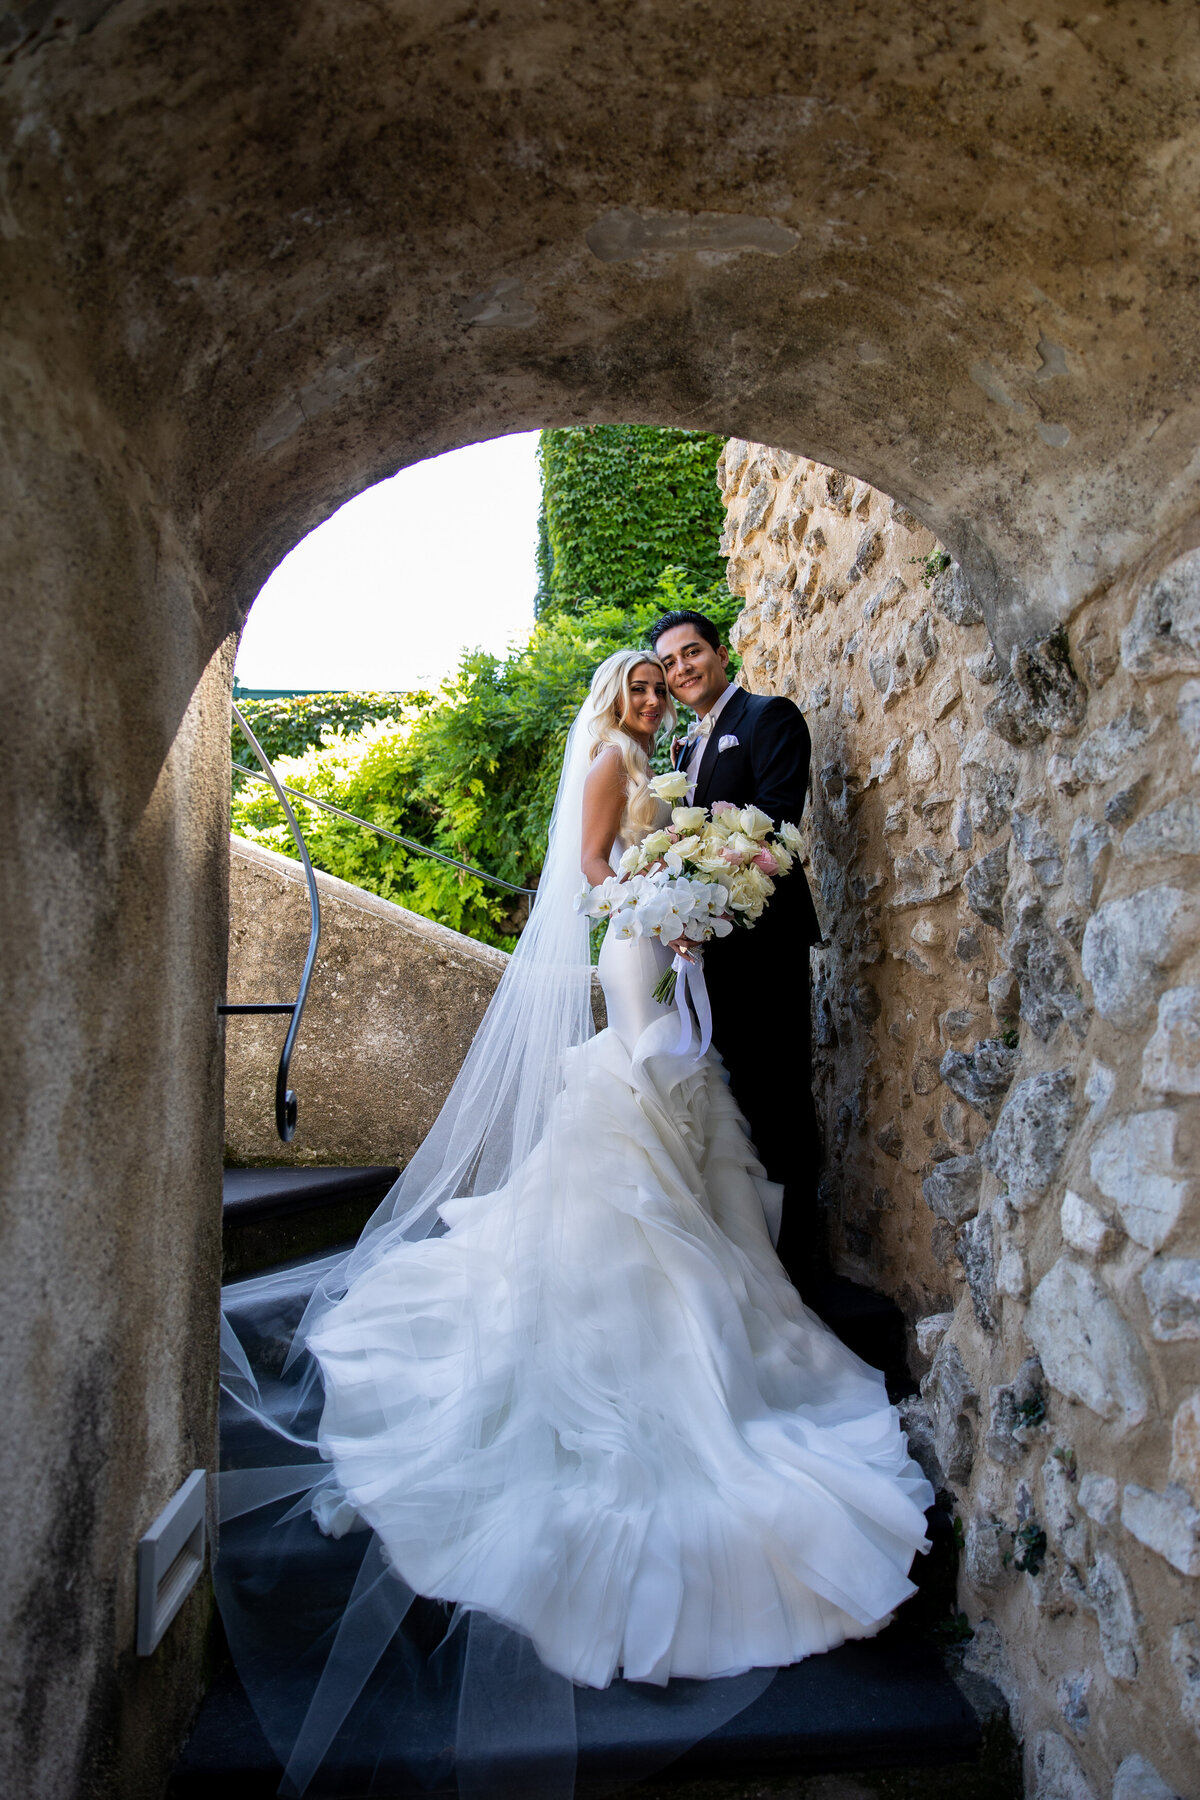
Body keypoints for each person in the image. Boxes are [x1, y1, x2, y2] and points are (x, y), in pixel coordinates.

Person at [217, 648, 932, 1799]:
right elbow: (596, 870)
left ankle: (700, 1291)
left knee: (673, 1109)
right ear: (614, 699)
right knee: (640, 1105)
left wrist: (688, 896)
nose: (651, 701)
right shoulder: (609, 756)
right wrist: (668, 898)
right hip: (637, 946)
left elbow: (642, 856)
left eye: (662, 688)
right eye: (640, 687)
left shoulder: (659, 755)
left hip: (669, 939)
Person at [648, 609, 823, 1283]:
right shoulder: (685, 750)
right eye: (670, 663)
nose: (682, 668)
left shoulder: (768, 718)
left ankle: (801, 1266)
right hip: (705, 954)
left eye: (692, 653)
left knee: (779, 1095)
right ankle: (757, 1260)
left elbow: (777, 822)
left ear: (721, 653)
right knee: (734, 1099)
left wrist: (703, 885)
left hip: (764, 943)